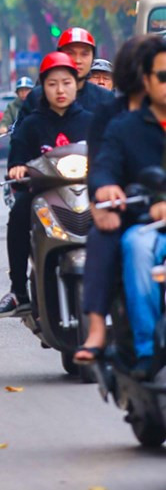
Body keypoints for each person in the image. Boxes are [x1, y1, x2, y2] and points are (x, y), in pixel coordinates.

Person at [88, 35, 166, 375]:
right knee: (131, 244)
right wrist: (104, 189)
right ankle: (144, 348)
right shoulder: (121, 124)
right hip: (142, 220)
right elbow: (103, 164)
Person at [0, 52, 92, 317]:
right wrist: (18, 167)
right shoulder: (31, 124)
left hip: (88, 192)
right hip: (46, 194)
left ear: (77, 84)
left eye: (67, 82)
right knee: (18, 214)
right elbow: (17, 158)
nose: (60, 90)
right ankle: (18, 290)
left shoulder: (92, 121)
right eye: (52, 84)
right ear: (42, 88)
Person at [74, 35, 148, 364]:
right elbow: (101, 164)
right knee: (101, 239)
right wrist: (102, 195)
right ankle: (96, 328)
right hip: (127, 209)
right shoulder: (113, 119)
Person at [15, 27, 112, 125]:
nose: (78, 60)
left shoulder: (105, 99)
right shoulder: (36, 97)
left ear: (93, 57)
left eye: (84, 54)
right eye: (70, 53)